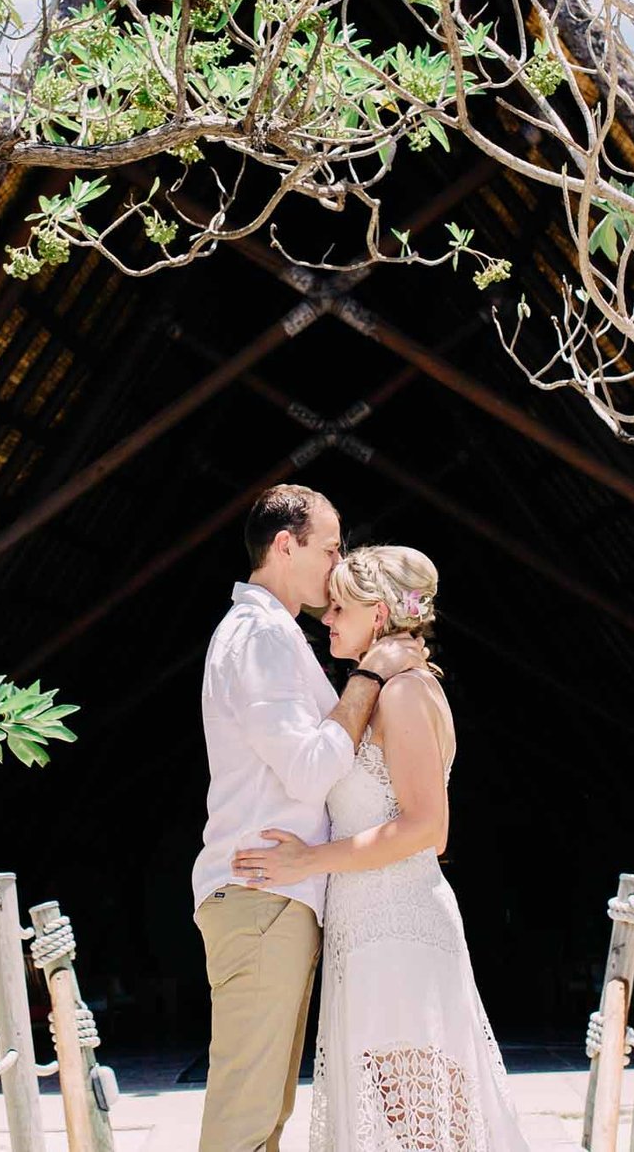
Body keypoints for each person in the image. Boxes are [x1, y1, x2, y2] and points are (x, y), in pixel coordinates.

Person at [233, 545, 530, 1152]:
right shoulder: (381, 691)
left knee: (419, 1118)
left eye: (339, 606)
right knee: (406, 1114)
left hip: (399, 926)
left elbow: (428, 828)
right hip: (366, 927)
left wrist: (308, 860)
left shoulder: (406, 695)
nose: (327, 618)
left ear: (378, 614)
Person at [196, 486, 424, 1152]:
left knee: (264, 1113)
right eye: (329, 547)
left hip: (274, 896)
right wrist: (370, 677)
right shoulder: (261, 636)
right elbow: (307, 767)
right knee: (246, 1117)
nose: (338, 562)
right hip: (262, 893)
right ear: (284, 545)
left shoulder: (273, 635)